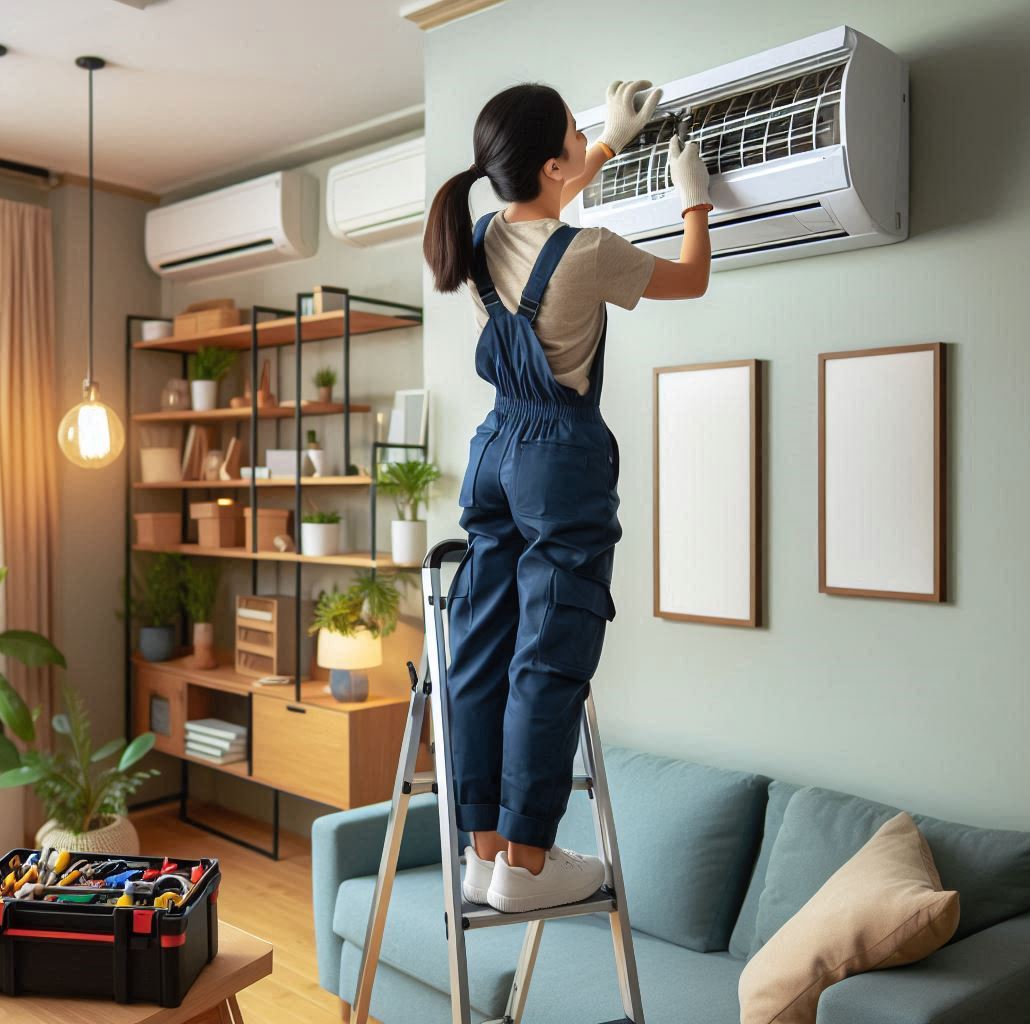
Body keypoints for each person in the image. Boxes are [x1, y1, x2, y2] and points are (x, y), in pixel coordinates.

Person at [423, 80, 713, 914]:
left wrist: (611, 142)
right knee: (548, 656)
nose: (589, 134)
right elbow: (689, 280)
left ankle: (485, 852)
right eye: (577, 134)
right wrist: (695, 202)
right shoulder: (592, 254)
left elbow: (541, 213)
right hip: (558, 462)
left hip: (493, 452)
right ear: (552, 164)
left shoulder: (476, 234)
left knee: (480, 649)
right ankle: (529, 860)